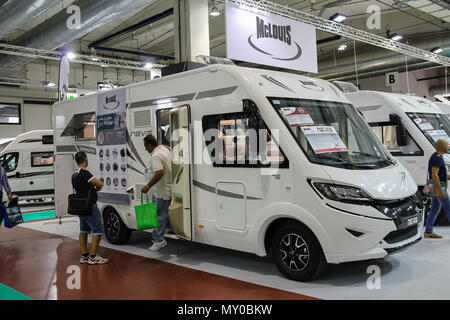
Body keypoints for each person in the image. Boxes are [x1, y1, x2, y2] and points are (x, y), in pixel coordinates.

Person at [72, 151, 108, 264]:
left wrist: (92, 188)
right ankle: (93, 257)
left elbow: (83, 188)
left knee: (83, 231)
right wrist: (97, 188)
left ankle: (85, 255)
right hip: (90, 206)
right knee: (97, 231)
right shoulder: (85, 173)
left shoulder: (74, 175)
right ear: (85, 159)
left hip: (80, 206)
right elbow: (100, 184)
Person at [141, 134, 172, 251]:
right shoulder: (164, 149)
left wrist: (148, 186)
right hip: (165, 189)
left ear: (150, 145)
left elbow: (159, 172)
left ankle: (159, 240)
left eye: (145, 146)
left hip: (161, 191)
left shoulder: (156, 155)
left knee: (159, 216)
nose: (145, 149)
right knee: (162, 214)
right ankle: (162, 233)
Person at [424, 139, 450, 238]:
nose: (448, 147)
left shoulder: (437, 156)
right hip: (438, 187)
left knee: (435, 209)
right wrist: (439, 191)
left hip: (434, 187)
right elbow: (435, 175)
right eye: (447, 145)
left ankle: (428, 231)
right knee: (448, 209)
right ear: (442, 146)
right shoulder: (437, 158)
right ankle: (428, 231)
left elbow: (441, 174)